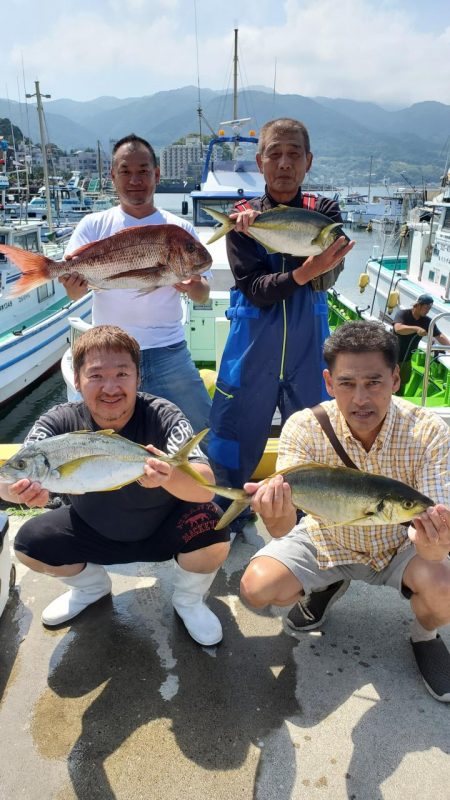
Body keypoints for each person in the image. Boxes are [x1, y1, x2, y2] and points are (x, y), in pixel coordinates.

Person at [240, 321, 450, 702]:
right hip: (327, 539)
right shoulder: (304, 427)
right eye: (347, 384)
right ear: (328, 381)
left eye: (374, 382)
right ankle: (326, 583)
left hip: (399, 547)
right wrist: (273, 513)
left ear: (396, 378)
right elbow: (285, 527)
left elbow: (434, 536)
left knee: (445, 593)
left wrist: (436, 545)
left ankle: (425, 635)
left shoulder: (430, 432)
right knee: (256, 588)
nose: (361, 399)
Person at [0, 326, 230, 646]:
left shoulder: (163, 414)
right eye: (96, 375)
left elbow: (206, 486)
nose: (110, 387)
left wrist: (169, 476)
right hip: (94, 530)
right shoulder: (57, 423)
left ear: (138, 378)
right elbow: (7, 479)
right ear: (77, 381)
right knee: (30, 543)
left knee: (212, 522)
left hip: (163, 530)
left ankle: (188, 600)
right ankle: (91, 588)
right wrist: (16, 492)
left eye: (122, 373)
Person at [207, 117, 354, 527]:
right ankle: (226, 525)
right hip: (251, 350)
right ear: (260, 161)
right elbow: (255, 288)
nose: (284, 163)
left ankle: (311, 529)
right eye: (275, 153)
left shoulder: (323, 212)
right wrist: (304, 270)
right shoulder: (242, 219)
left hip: (310, 350)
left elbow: (327, 273)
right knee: (231, 439)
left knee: (318, 442)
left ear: (308, 161)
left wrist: (308, 269)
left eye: (294, 154)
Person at [60, 133, 211, 435]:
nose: (135, 179)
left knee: (203, 432)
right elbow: (73, 290)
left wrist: (193, 286)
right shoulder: (93, 225)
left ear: (157, 174)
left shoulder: (178, 228)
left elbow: (204, 294)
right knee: (106, 439)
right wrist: (74, 284)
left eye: (143, 171)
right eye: (125, 171)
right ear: (112, 176)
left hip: (168, 351)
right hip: (109, 355)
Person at [393, 294, 450, 388]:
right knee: (389, 381)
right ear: (418, 305)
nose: (428, 311)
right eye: (426, 307)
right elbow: (398, 329)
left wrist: (449, 347)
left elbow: (439, 335)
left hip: (406, 359)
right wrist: (416, 329)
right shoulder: (403, 314)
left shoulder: (427, 321)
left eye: (429, 308)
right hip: (391, 357)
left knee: (402, 382)